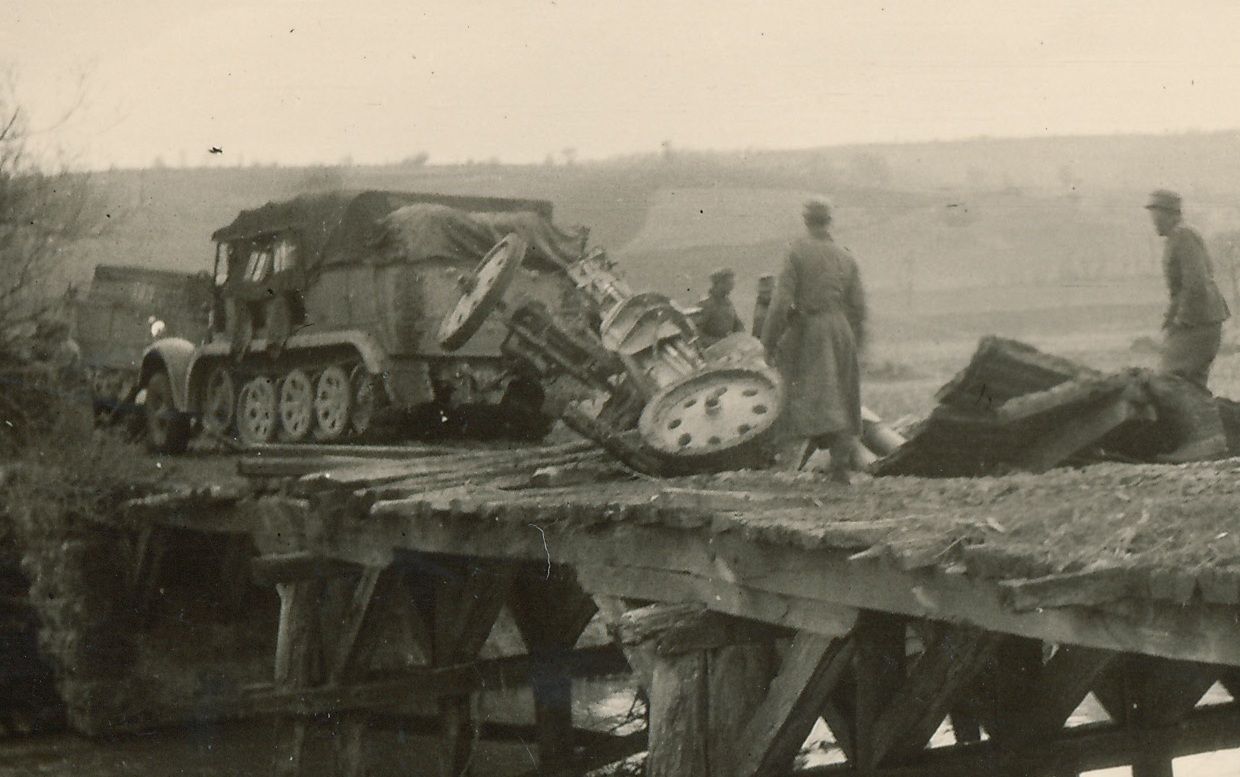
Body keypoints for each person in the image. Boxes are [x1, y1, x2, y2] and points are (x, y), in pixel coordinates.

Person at [761, 197, 866, 480]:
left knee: (803, 390)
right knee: (841, 393)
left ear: (805, 220)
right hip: (841, 329)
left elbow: (781, 302)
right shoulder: (846, 255)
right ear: (829, 221)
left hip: (811, 329)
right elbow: (858, 306)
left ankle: (787, 464)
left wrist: (768, 343)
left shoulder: (796, 252)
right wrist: (856, 342)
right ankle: (840, 465)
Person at [1146, 189, 1231, 390]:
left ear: (1171, 214)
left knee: (1170, 380)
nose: (1154, 223)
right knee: (1188, 385)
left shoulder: (1183, 236)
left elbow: (1195, 282)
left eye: (1157, 217)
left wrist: (1181, 319)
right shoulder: (1177, 237)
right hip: (1200, 320)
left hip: (1199, 322)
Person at [693, 267, 745, 349]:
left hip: (728, 349)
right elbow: (697, 334)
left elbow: (737, 324)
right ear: (718, 284)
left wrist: (741, 336)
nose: (731, 287)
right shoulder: (706, 304)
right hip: (712, 352)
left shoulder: (727, 301)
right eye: (728, 284)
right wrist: (719, 343)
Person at [751, 274, 775, 338]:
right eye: (763, 292)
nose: (766, 295)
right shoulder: (759, 306)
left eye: (768, 292)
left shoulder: (778, 302)